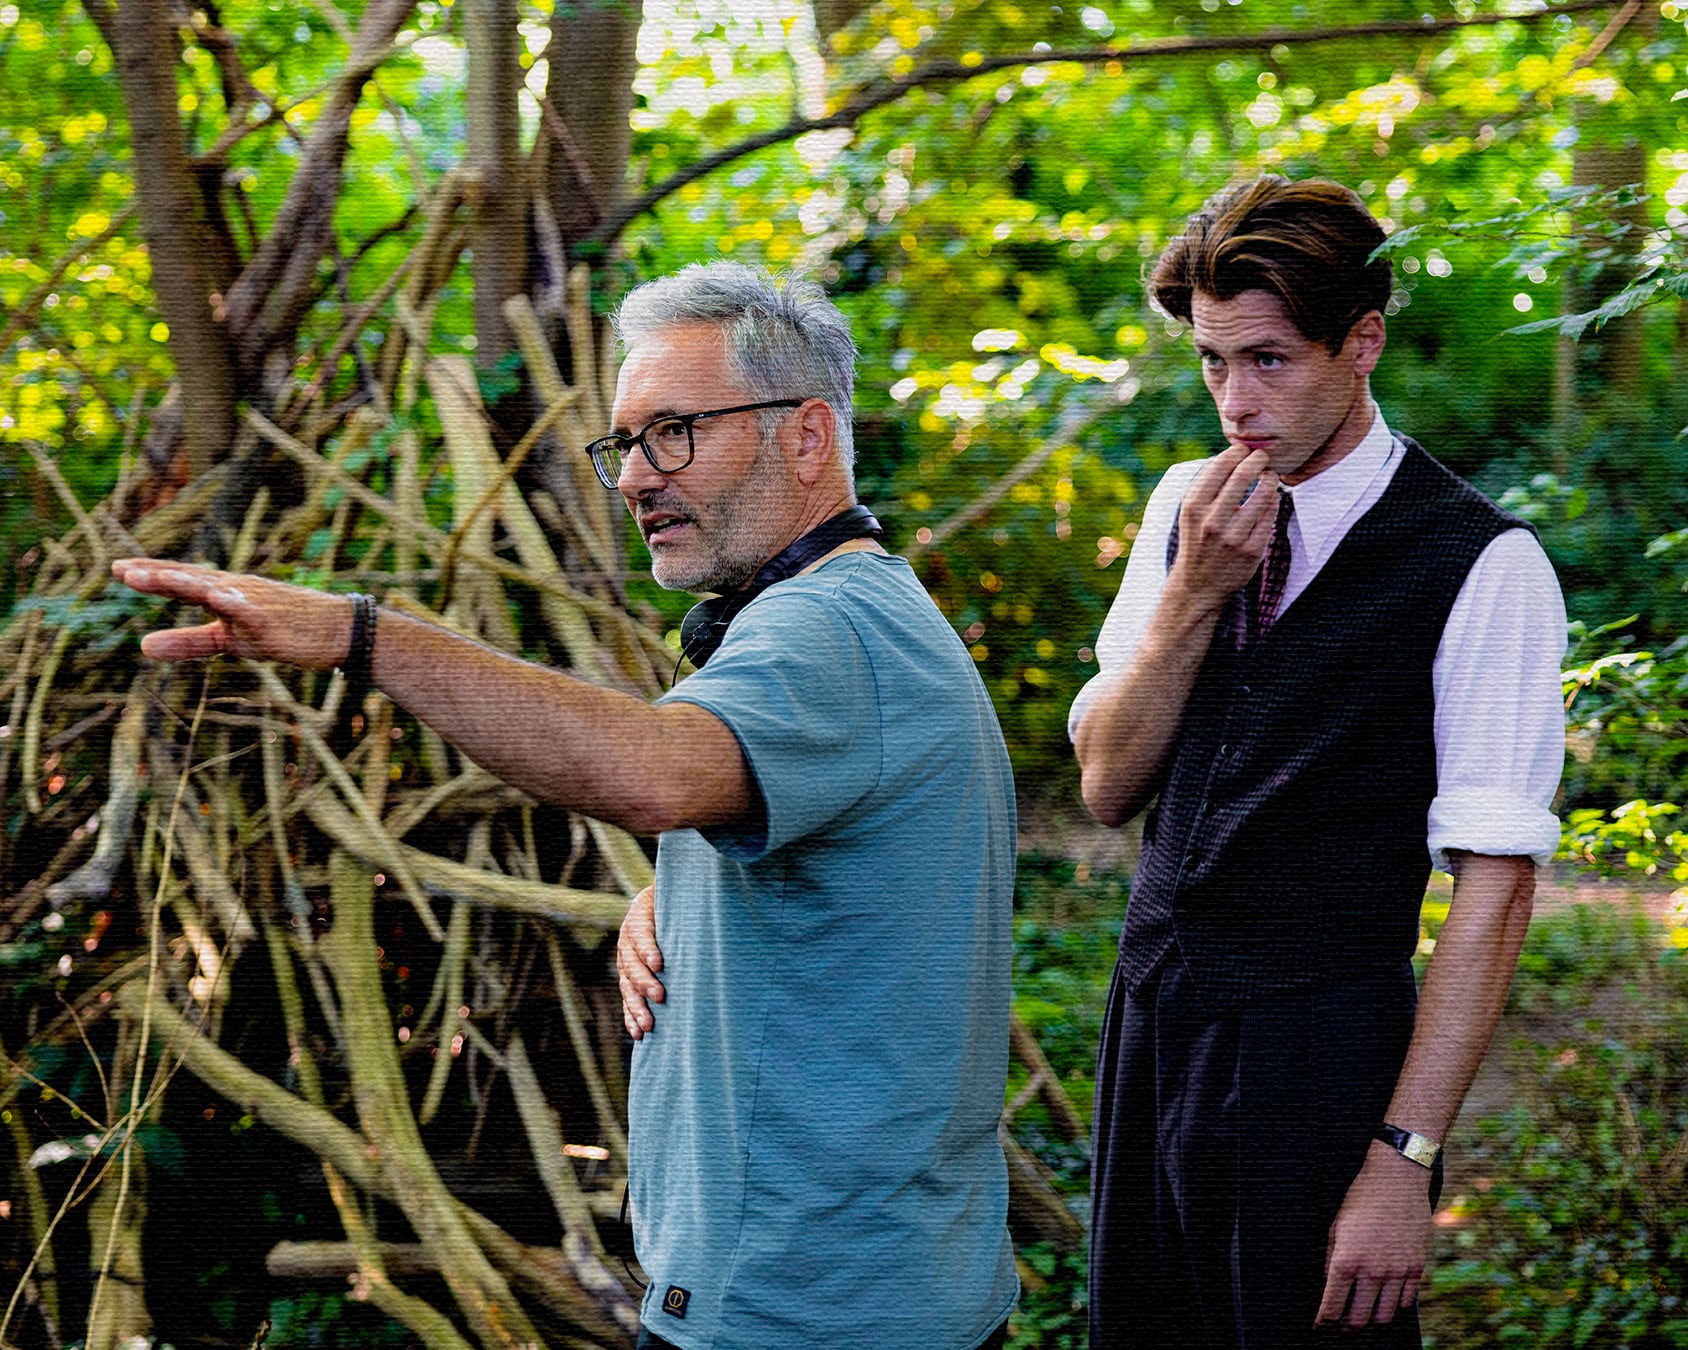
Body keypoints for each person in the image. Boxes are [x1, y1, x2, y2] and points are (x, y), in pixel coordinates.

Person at [115, 262, 1019, 1350]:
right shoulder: (853, 614)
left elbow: (651, 771)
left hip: (810, 1315)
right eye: (625, 444)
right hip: (860, 1295)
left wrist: (366, 637)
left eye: (674, 432)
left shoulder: (822, 631)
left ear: (808, 437)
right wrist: (679, 899)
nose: (635, 477)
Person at [1069, 176, 1566, 1348]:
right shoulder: (1181, 511)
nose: (1233, 403)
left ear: (1361, 344)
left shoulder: (1480, 563)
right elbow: (1104, 784)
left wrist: (1403, 1162)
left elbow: (1491, 891)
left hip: (1318, 1057)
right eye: (1208, 363)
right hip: (1151, 1022)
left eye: (1268, 362)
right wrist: (1190, 593)